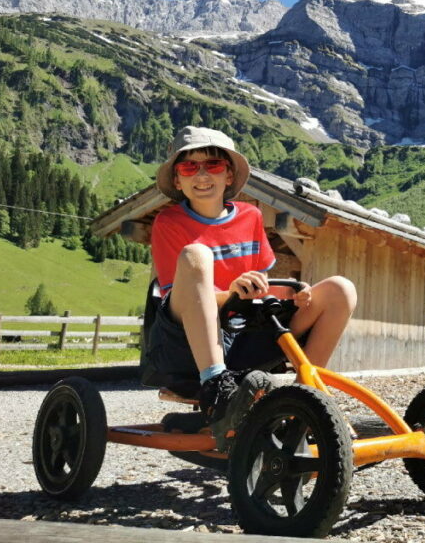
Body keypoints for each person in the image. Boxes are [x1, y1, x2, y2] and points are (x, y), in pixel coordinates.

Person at [144, 125, 357, 426]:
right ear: (177, 179)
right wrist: (230, 291)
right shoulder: (168, 222)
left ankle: (304, 402)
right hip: (185, 341)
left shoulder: (250, 216)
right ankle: (215, 386)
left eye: (213, 165)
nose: (202, 176)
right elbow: (175, 296)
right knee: (196, 255)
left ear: (228, 176)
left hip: (244, 332)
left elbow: (262, 287)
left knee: (340, 289)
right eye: (190, 167)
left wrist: (295, 294)